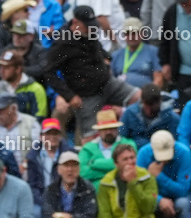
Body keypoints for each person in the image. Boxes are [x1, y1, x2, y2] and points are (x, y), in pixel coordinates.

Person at [45, 6, 139, 140]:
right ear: (75, 22)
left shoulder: (89, 31)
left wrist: (106, 57)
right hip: (87, 95)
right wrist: (69, 96)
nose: (91, 28)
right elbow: (48, 72)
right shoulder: (62, 43)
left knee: (138, 97)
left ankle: (133, 134)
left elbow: (97, 47)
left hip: (107, 83)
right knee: (89, 138)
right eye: (87, 26)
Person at [79, 108, 137, 187]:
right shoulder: (87, 148)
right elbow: (82, 173)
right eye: (105, 129)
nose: (108, 132)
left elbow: (129, 166)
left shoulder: (128, 144)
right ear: (98, 131)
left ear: (117, 129)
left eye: (112, 128)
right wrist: (115, 170)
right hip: (96, 191)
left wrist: (95, 163)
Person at [110, 17, 162, 89]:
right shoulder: (116, 55)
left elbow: (159, 79)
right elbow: (110, 80)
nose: (131, 36)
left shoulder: (153, 52)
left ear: (142, 34)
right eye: (128, 33)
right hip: (121, 94)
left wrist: (149, 93)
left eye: (134, 33)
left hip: (145, 94)